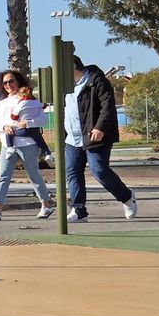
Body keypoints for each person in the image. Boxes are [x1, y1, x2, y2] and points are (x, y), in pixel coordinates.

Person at [63, 55, 138, 223]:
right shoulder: (65, 85)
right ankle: (78, 210)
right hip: (72, 137)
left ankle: (126, 197)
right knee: (73, 172)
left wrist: (100, 127)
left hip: (94, 135)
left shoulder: (96, 80)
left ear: (72, 67)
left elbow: (108, 105)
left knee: (99, 170)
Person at [0, 70, 55, 221]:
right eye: (5, 82)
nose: (8, 85)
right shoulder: (1, 104)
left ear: (18, 81)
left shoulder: (28, 99)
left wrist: (27, 123)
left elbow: (42, 119)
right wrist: (4, 128)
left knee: (33, 174)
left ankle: (46, 204)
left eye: (11, 81)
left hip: (28, 144)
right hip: (7, 145)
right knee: (3, 176)